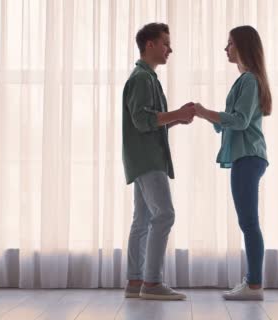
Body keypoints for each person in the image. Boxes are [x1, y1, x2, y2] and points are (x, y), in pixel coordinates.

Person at [194, 25, 272, 301]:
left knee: (249, 223)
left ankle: (254, 286)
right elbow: (230, 122)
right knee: (248, 222)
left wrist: (204, 111)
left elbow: (238, 121)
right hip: (247, 156)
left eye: (229, 44)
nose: (225, 49)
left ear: (242, 46)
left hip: (248, 157)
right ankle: (252, 283)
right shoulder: (245, 81)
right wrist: (204, 115)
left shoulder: (249, 80)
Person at [122, 22, 194, 300]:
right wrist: (175, 113)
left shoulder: (147, 77)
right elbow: (142, 121)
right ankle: (151, 284)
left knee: (142, 220)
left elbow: (148, 123)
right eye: (165, 43)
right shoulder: (141, 79)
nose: (170, 49)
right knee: (164, 215)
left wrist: (176, 117)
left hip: (142, 158)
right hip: (148, 159)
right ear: (149, 44)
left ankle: (135, 281)